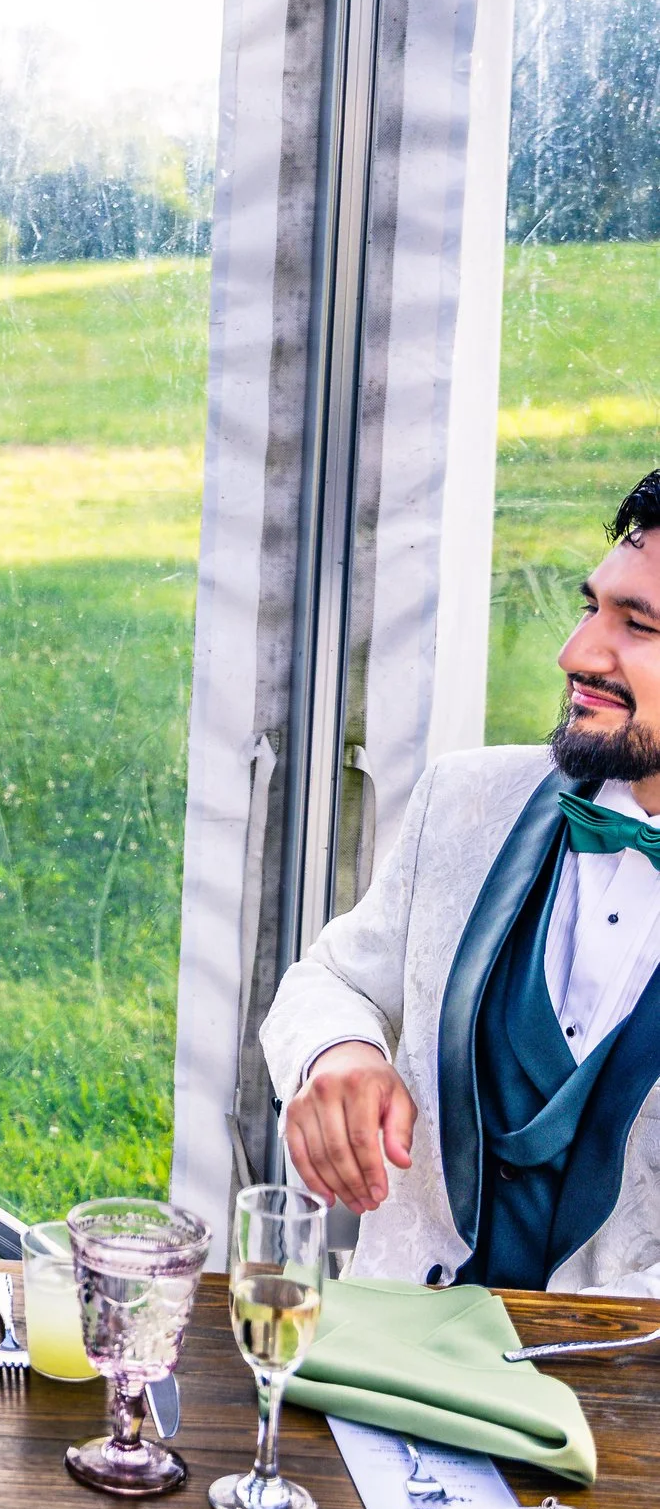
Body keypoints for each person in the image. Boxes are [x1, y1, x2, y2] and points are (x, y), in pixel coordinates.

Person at [266, 472, 660, 1295]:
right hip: (390, 1376)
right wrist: (338, 1049)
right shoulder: (464, 801)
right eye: (592, 608)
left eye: (639, 626)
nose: (576, 654)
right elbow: (331, 978)